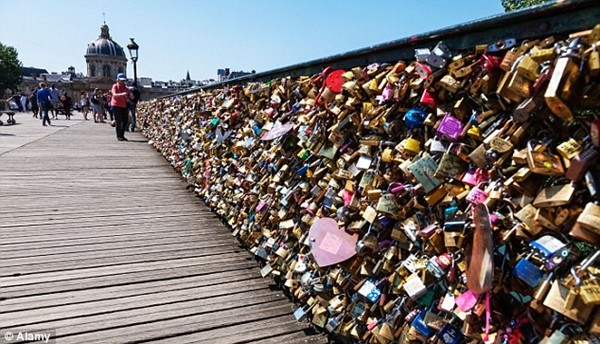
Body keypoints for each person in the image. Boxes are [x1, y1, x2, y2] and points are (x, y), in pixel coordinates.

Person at [110, 73, 131, 141]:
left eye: (124, 80)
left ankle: (122, 134)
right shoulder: (115, 86)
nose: (122, 82)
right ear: (117, 80)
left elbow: (130, 96)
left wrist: (131, 95)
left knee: (125, 121)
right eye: (121, 80)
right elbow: (114, 95)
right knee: (118, 121)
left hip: (123, 105)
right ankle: (119, 136)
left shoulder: (126, 87)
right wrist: (122, 94)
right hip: (116, 105)